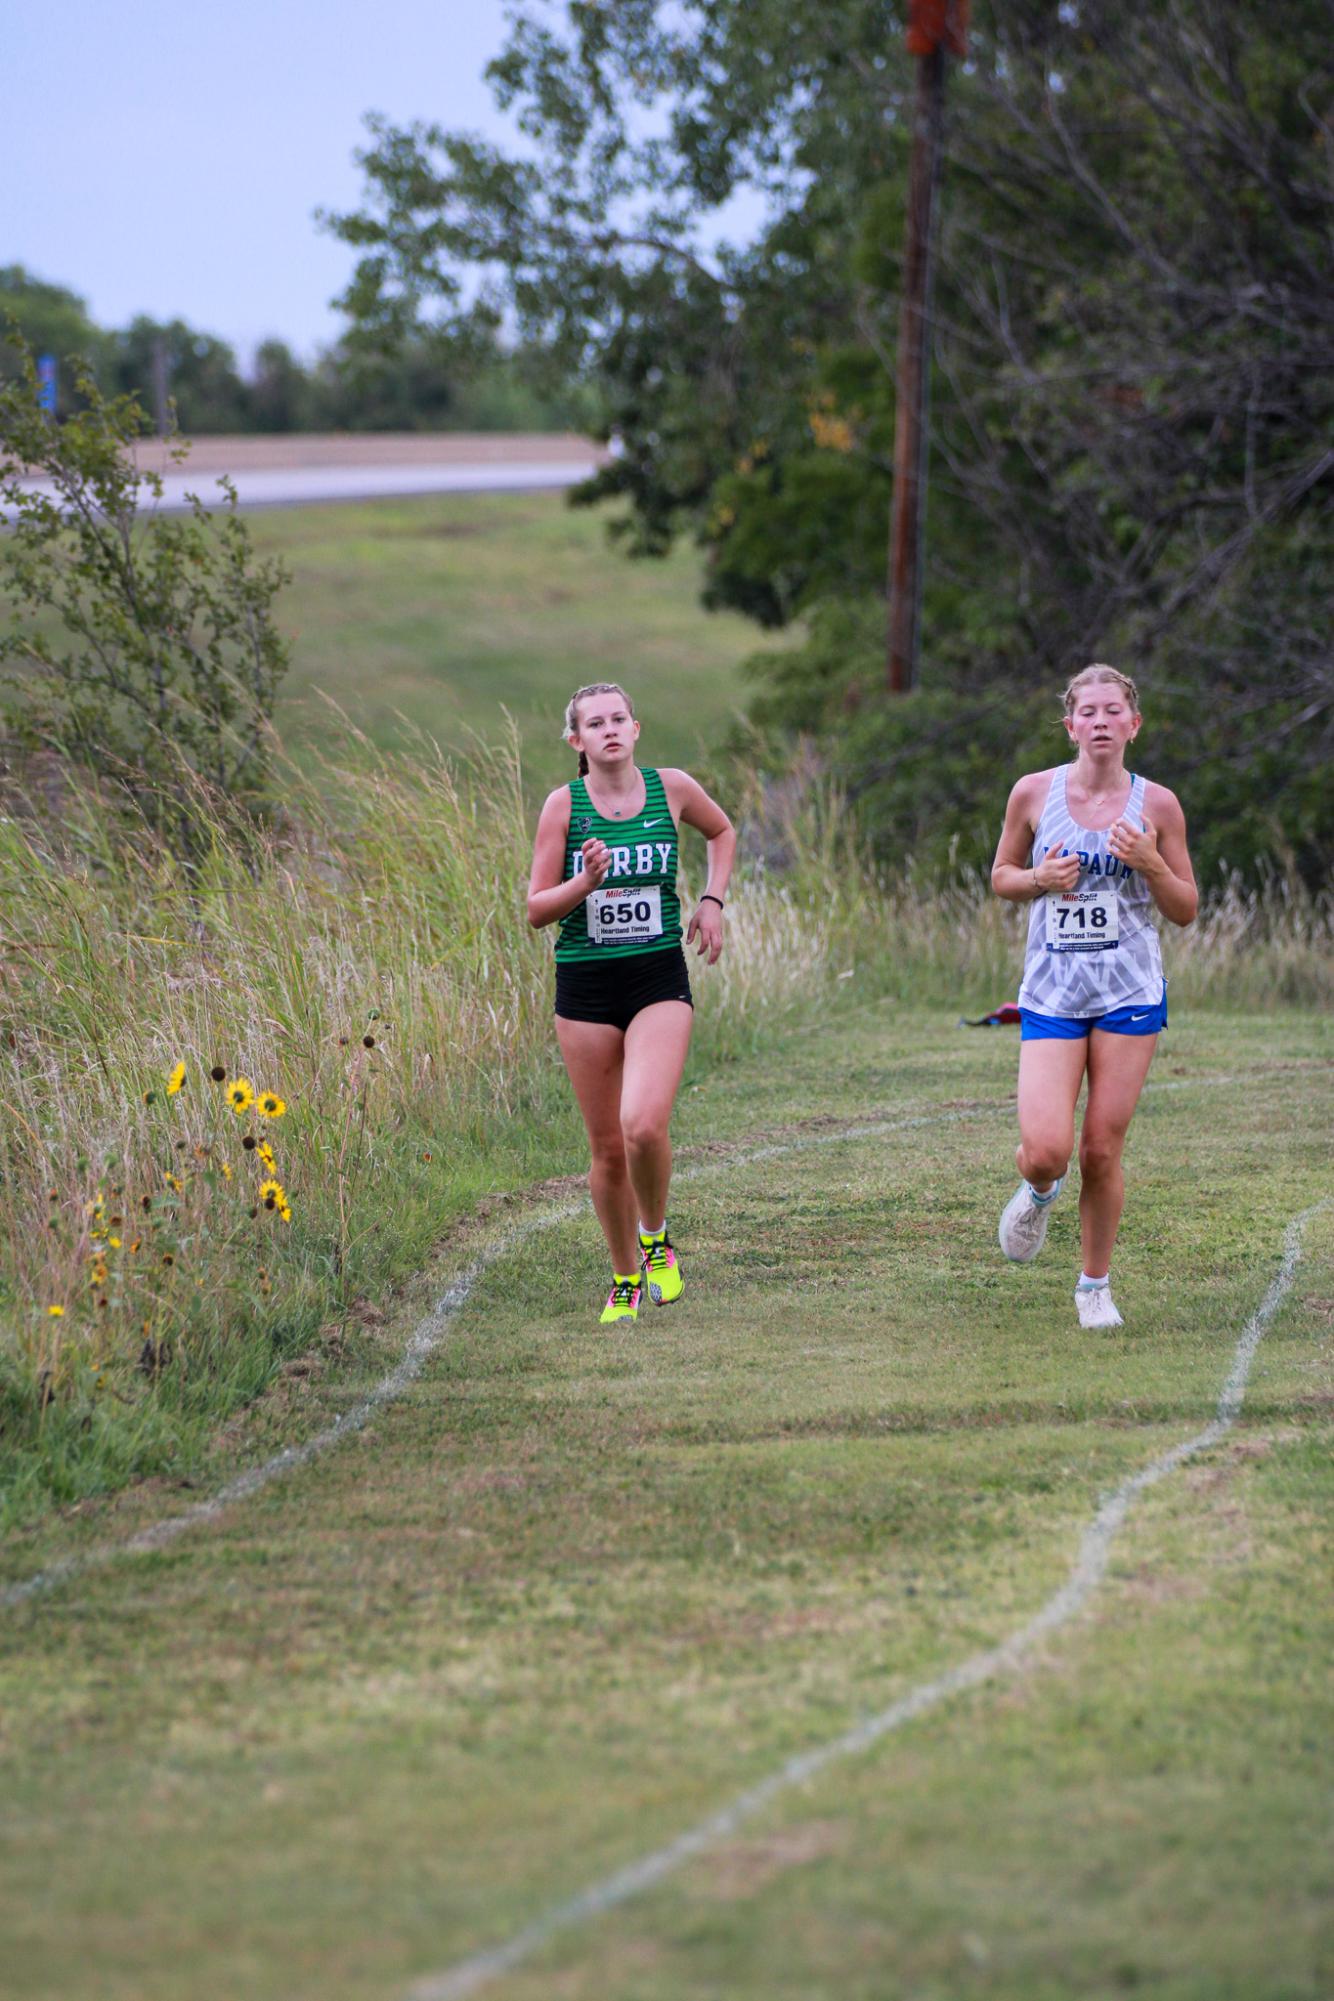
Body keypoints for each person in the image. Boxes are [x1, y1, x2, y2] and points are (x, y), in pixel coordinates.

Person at [990, 665, 1198, 1328]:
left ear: (1134, 725)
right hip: (1053, 991)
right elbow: (1001, 876)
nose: (1102, 721)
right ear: (1071, 724)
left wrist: (1151, 862)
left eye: (1115, 711)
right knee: (1049, 1148)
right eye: (1089, 711)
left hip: (1128, 994)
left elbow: (1186, 907)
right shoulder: (1032, 793)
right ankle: (1037, 1188)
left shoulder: (1158, 806)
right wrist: (1039, 878)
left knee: (1101, 1149)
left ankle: (1094, 1285)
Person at [527, 683, 736, 1324]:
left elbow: (722, 831)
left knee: (643, 1123)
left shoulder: (671, 787)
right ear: (577, 741)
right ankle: (623, 1278)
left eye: (619, 719)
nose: (610, 730)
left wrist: (711, 900)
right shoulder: (562, 807)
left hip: (656, 978)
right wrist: (583, 882)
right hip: (585, 989)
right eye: (596, 723)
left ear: (636, 728)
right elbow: (536, 910)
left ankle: (655, 1240)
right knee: (608, 1149)